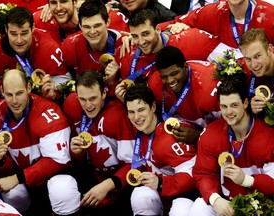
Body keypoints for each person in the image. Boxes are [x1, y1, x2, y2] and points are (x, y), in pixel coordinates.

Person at [0, 69, 80, 215]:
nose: (15, 101)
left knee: (62, 189)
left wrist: (17, 178)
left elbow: (58, 161)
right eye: (9, 95)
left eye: (19, 93)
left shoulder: (47, 111)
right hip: (26, 179)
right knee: (11, 193)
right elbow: (6, 170)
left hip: (54, 175)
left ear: (28, 88)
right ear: (2, 91)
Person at [187, 76, 274, 215]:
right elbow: (203, 173)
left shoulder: (268, 136)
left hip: (261, 207)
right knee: (200, 207)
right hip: (227, 203)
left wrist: (246, 180)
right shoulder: (212, 132)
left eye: (234, 105)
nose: (228, 112)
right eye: (224, 106)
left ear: (245, 103)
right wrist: (216, 199)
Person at [115, 9, 239, 101]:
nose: (141, 42)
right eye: (135, 36)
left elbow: (236, 59)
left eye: (146, 34)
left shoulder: (191, 40)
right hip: (170, 116)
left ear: (158, 29)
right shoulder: (128, 56)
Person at [63, 70, 135, 215]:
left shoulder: (119, 115)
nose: (88, 105)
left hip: (120, 187)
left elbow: (134, 163)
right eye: (82, 99)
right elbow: (80, 162)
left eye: (93, 98)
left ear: (104, 94)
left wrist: (107, 185)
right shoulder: (71, 105)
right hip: (92, 180)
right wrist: (77, 153)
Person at [124, 84, 198, 216]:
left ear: (153, 107)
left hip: (188, 198)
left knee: (181, 210)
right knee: (140, 195)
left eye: (141, 110)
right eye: (131, 112)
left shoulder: (169, 137)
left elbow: (193, 175)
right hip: (163, 196)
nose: (136, 117)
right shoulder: (140, 130)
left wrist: (160, 182)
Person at [0, 7, 71, 100]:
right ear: (6, 29)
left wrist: (54, 95)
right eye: (13, 34)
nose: (19, 40)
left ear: (33, 28)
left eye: (24, 33)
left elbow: (67, 89)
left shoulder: (50, 49)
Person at [148, 46, 221, 144]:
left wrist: (198, 136)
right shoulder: (155, 83)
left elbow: (232, 127)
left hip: (215, 137)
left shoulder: (209, 86)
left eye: (174, 73)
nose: (170, 80)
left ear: (185, 67)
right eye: (164, 77)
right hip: (188, 127)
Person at [61, 0, 122, 94]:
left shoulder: (124, 45)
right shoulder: (70, 45)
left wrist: (113, 81)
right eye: (87, 27)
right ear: (80, 26)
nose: (92, 32)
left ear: (108, 22)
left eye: (97, 26)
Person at [161, 0, 274, 49]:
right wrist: (181, 26)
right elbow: (174, 22)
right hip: (228, 84)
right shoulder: (215, 11)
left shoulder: (269, 14)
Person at [238, 28, 274, 115]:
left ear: (270, 49)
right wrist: (253, 110)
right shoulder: (251, 81)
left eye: (257, 56)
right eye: (248, 59)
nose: (254, 65)